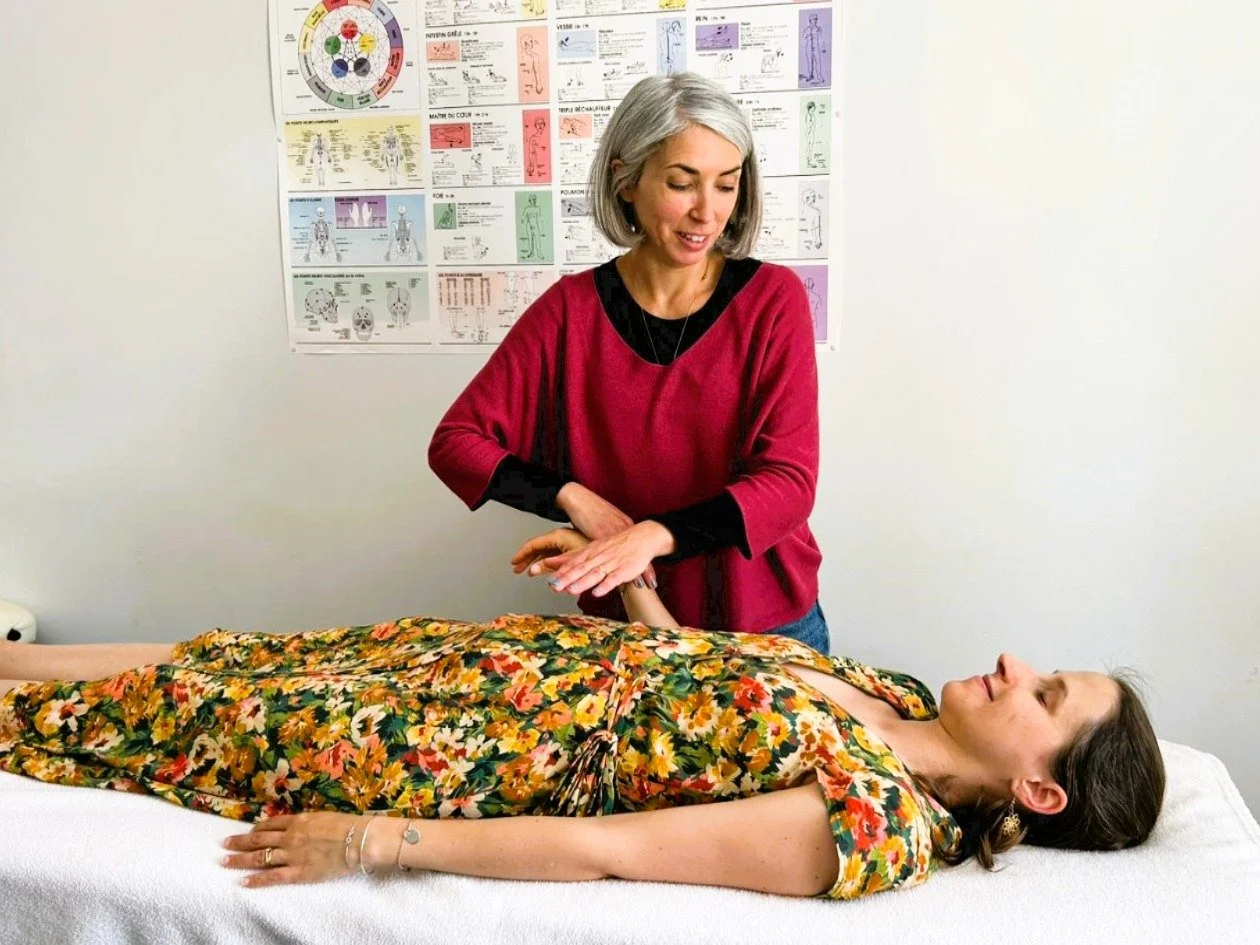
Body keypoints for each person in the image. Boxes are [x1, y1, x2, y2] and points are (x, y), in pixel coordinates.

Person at [0, 528, 1164, 900]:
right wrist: (628, 584)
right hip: (485, 665)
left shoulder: (871, 824)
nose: (1018, 665)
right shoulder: (899, 696)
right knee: (225, 655)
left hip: (469, 753)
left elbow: (612, 849)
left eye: (1046, 694)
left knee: (175, 711)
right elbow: (696, 685)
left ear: (1040, 791)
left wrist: (367, 842)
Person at [428, 73, 828, 652]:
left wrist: (651, 536)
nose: (706, 213)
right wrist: (573, 498)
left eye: (726, 185)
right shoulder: (569, 312)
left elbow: (789, 483)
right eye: (681, 183)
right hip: (627, 630)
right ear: (626, 180)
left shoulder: (773, 299)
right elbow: (457, 442)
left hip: (769, 627)